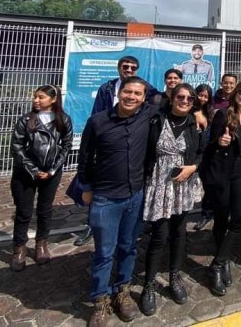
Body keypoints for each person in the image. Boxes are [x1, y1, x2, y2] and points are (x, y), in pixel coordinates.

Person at [78, 76, 159, 326]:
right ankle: (100, 300)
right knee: (104, 252)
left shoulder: (146, 117)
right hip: (105, 198)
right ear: (119, 92)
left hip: (135, 195)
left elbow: (173, 99)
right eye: (128, 92)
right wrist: (87, 187)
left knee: (129, 247)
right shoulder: (98, 121)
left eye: (137, 93)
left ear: (143, 98)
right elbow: (85, 156)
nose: (132, 97)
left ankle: (122, 291)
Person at [76, 56, 157, 247]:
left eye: (133, 67)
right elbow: (96, 114)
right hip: (108, 136)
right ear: (119, 67)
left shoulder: (145, 87)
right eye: (126, 66)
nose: (129, 70)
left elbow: (160, 101)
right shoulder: (107, 88)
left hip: (130, 144)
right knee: (99, 189)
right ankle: (91, 226)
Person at [140, 83, 204, 316]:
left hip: (183, 184)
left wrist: (194, 167)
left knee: (179, 233)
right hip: (159, 184)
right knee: (159, 236)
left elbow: (202, 152)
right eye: (181, 97)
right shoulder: (156, 120)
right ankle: (148, 285)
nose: (185, 101)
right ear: (172, 97)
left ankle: (174, 277)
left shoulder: (194, 125)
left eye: (189, 99)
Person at [199, 79, 241, 297]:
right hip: (222, 172)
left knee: (240, 217)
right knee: (222, 219)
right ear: (235, 92)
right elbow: (208, 145)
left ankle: (218, 262)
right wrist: (219, 143)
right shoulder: (223, 114)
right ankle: (222, 262)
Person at [9, 85, 73, 271]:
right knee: (24, 211)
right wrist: (33, 169)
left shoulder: (63, 119)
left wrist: (53, 169)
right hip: (26, 173)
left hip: (51, 173)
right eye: (35, 97)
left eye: (41, 97)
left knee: (45, 210)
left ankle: (41, 244)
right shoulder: (26, 120)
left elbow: (66, 145)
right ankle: (19, 248)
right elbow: (17, 147)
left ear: (53, 99)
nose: (36, 100)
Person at [193, 83, 215, 231]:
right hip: (192, 153)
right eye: (200, 95)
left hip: (207, 154)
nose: (202, 98)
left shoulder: (211, 113)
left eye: (206, 96)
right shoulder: (190, 110)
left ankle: (206, 214)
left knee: (208, 185)